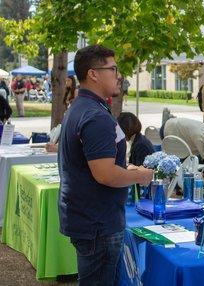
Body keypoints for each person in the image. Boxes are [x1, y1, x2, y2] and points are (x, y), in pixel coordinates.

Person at [58, 45, 153, 285]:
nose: (119, 75)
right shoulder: (95, 115)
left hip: (91, 219)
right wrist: (139, 175)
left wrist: (126, 170)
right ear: (93, 74)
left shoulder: (83, 107)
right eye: (113, 68)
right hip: (98, 224)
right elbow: (105, 174)